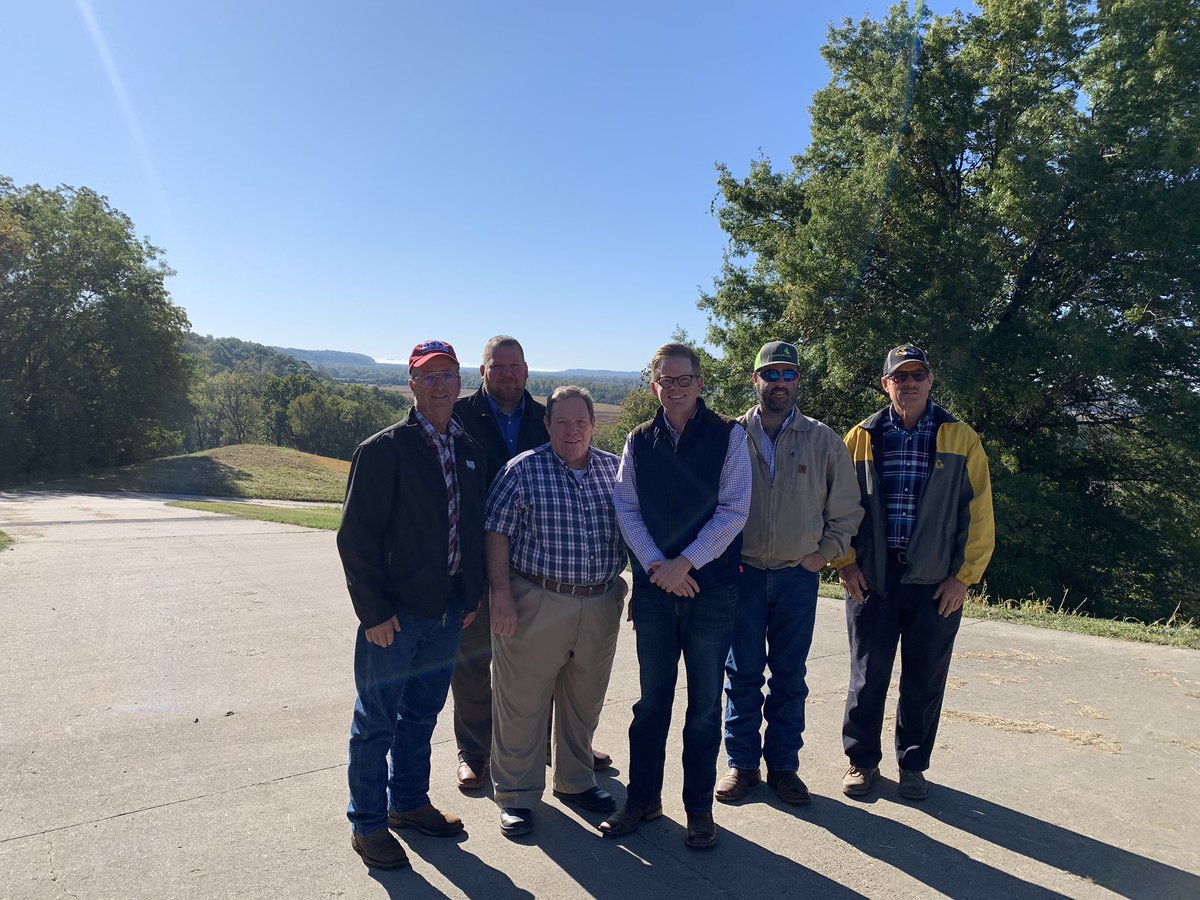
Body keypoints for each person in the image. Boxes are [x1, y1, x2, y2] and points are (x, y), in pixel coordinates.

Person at [337, 339, 488, 870]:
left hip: (449, 610)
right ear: (412, 385)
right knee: (375, 721)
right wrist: (374, 613)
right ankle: (368, 824)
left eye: (448, 376)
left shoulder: (468, 447)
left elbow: (471, 528)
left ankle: (407, 801)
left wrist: (471, 594)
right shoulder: (383, 450)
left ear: (460, 383)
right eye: (428, 376)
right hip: (396, 615)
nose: (439, 385)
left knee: (422, 713)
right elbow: (356, 539)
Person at [602, 343, 751, 850]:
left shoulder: (730, 435)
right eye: (666, 380)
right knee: (651, 705)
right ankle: (642, 800)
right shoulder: (638, 439)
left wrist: (684, 563)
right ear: (654, 387)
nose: (675, 388)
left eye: (684, 379)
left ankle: (699, 810)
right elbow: (626, 506)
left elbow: (734, 510)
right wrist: (657, 567)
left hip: (711, 590)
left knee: (704, 709)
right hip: (655, 592)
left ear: (699, 383)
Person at [833, 344, 994, 801]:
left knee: (924, 680)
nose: (909, 383)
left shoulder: (960, 437)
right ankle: (861, 761)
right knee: (867, 676)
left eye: (917, 374)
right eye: (899, 376)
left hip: (936, 582)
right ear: (886, 384)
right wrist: (845, 563)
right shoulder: (859, 437)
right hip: (872, 578)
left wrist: (963, 576)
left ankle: (913, 766)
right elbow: (837, 506)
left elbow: (978, 512)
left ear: (930, 380)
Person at [450, 336, 612, 790]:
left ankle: (555, 746)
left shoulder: (547, 418)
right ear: (483, 371)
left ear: (526, 370)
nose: (507, 373)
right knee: (474, 659)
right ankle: (475, 751)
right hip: (469, 557)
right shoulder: (458, 417)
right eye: (497, 366)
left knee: (547, 664)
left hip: (531, 564)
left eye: (514, 366)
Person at [718, 341, 863, 806]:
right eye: (770, 374)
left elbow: (847, 509)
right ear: (755, 379)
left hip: (797, 577)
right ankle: (742, 765)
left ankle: (783, 766)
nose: (779, 383)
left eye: (788, 374)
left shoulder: (823, 440)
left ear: (798, 380)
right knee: (741, 674)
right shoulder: (730, 436)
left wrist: (822, 557)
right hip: (742, 574)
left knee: (789, 677)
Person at [484, 386, 628, 837]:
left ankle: (576, 781)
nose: (571, 431)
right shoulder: (521, 470)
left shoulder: (616, 471)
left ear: (594, 424)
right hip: (536, 600)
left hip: (600, 600)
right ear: (547, 425)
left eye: (580, 422)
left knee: (584, 701)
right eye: (561, 422)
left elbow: (638, 530)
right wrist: (501, 596)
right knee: (521, 704)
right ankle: (516, 795)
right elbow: (495, 533)